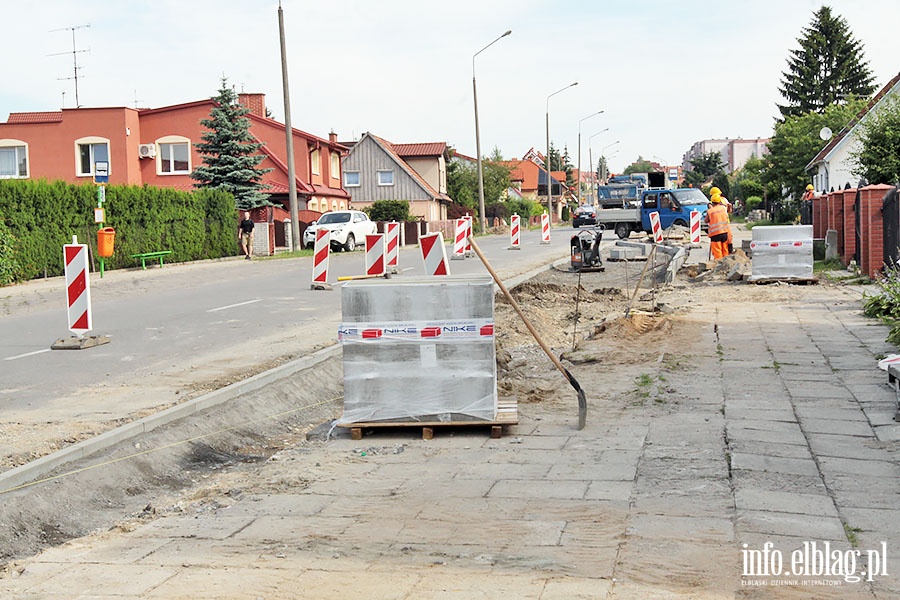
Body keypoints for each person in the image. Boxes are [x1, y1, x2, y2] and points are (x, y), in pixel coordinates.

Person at [705, 193, 731, 260]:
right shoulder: (723, 208)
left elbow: (706, 220)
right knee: (725, 249)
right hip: (724, 232)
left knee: (717, 251)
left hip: (715, 234)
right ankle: (726, 263)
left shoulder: (710, 211)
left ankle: (719, 265)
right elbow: (728, 212)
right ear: (719, 201)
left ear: (712, 202)